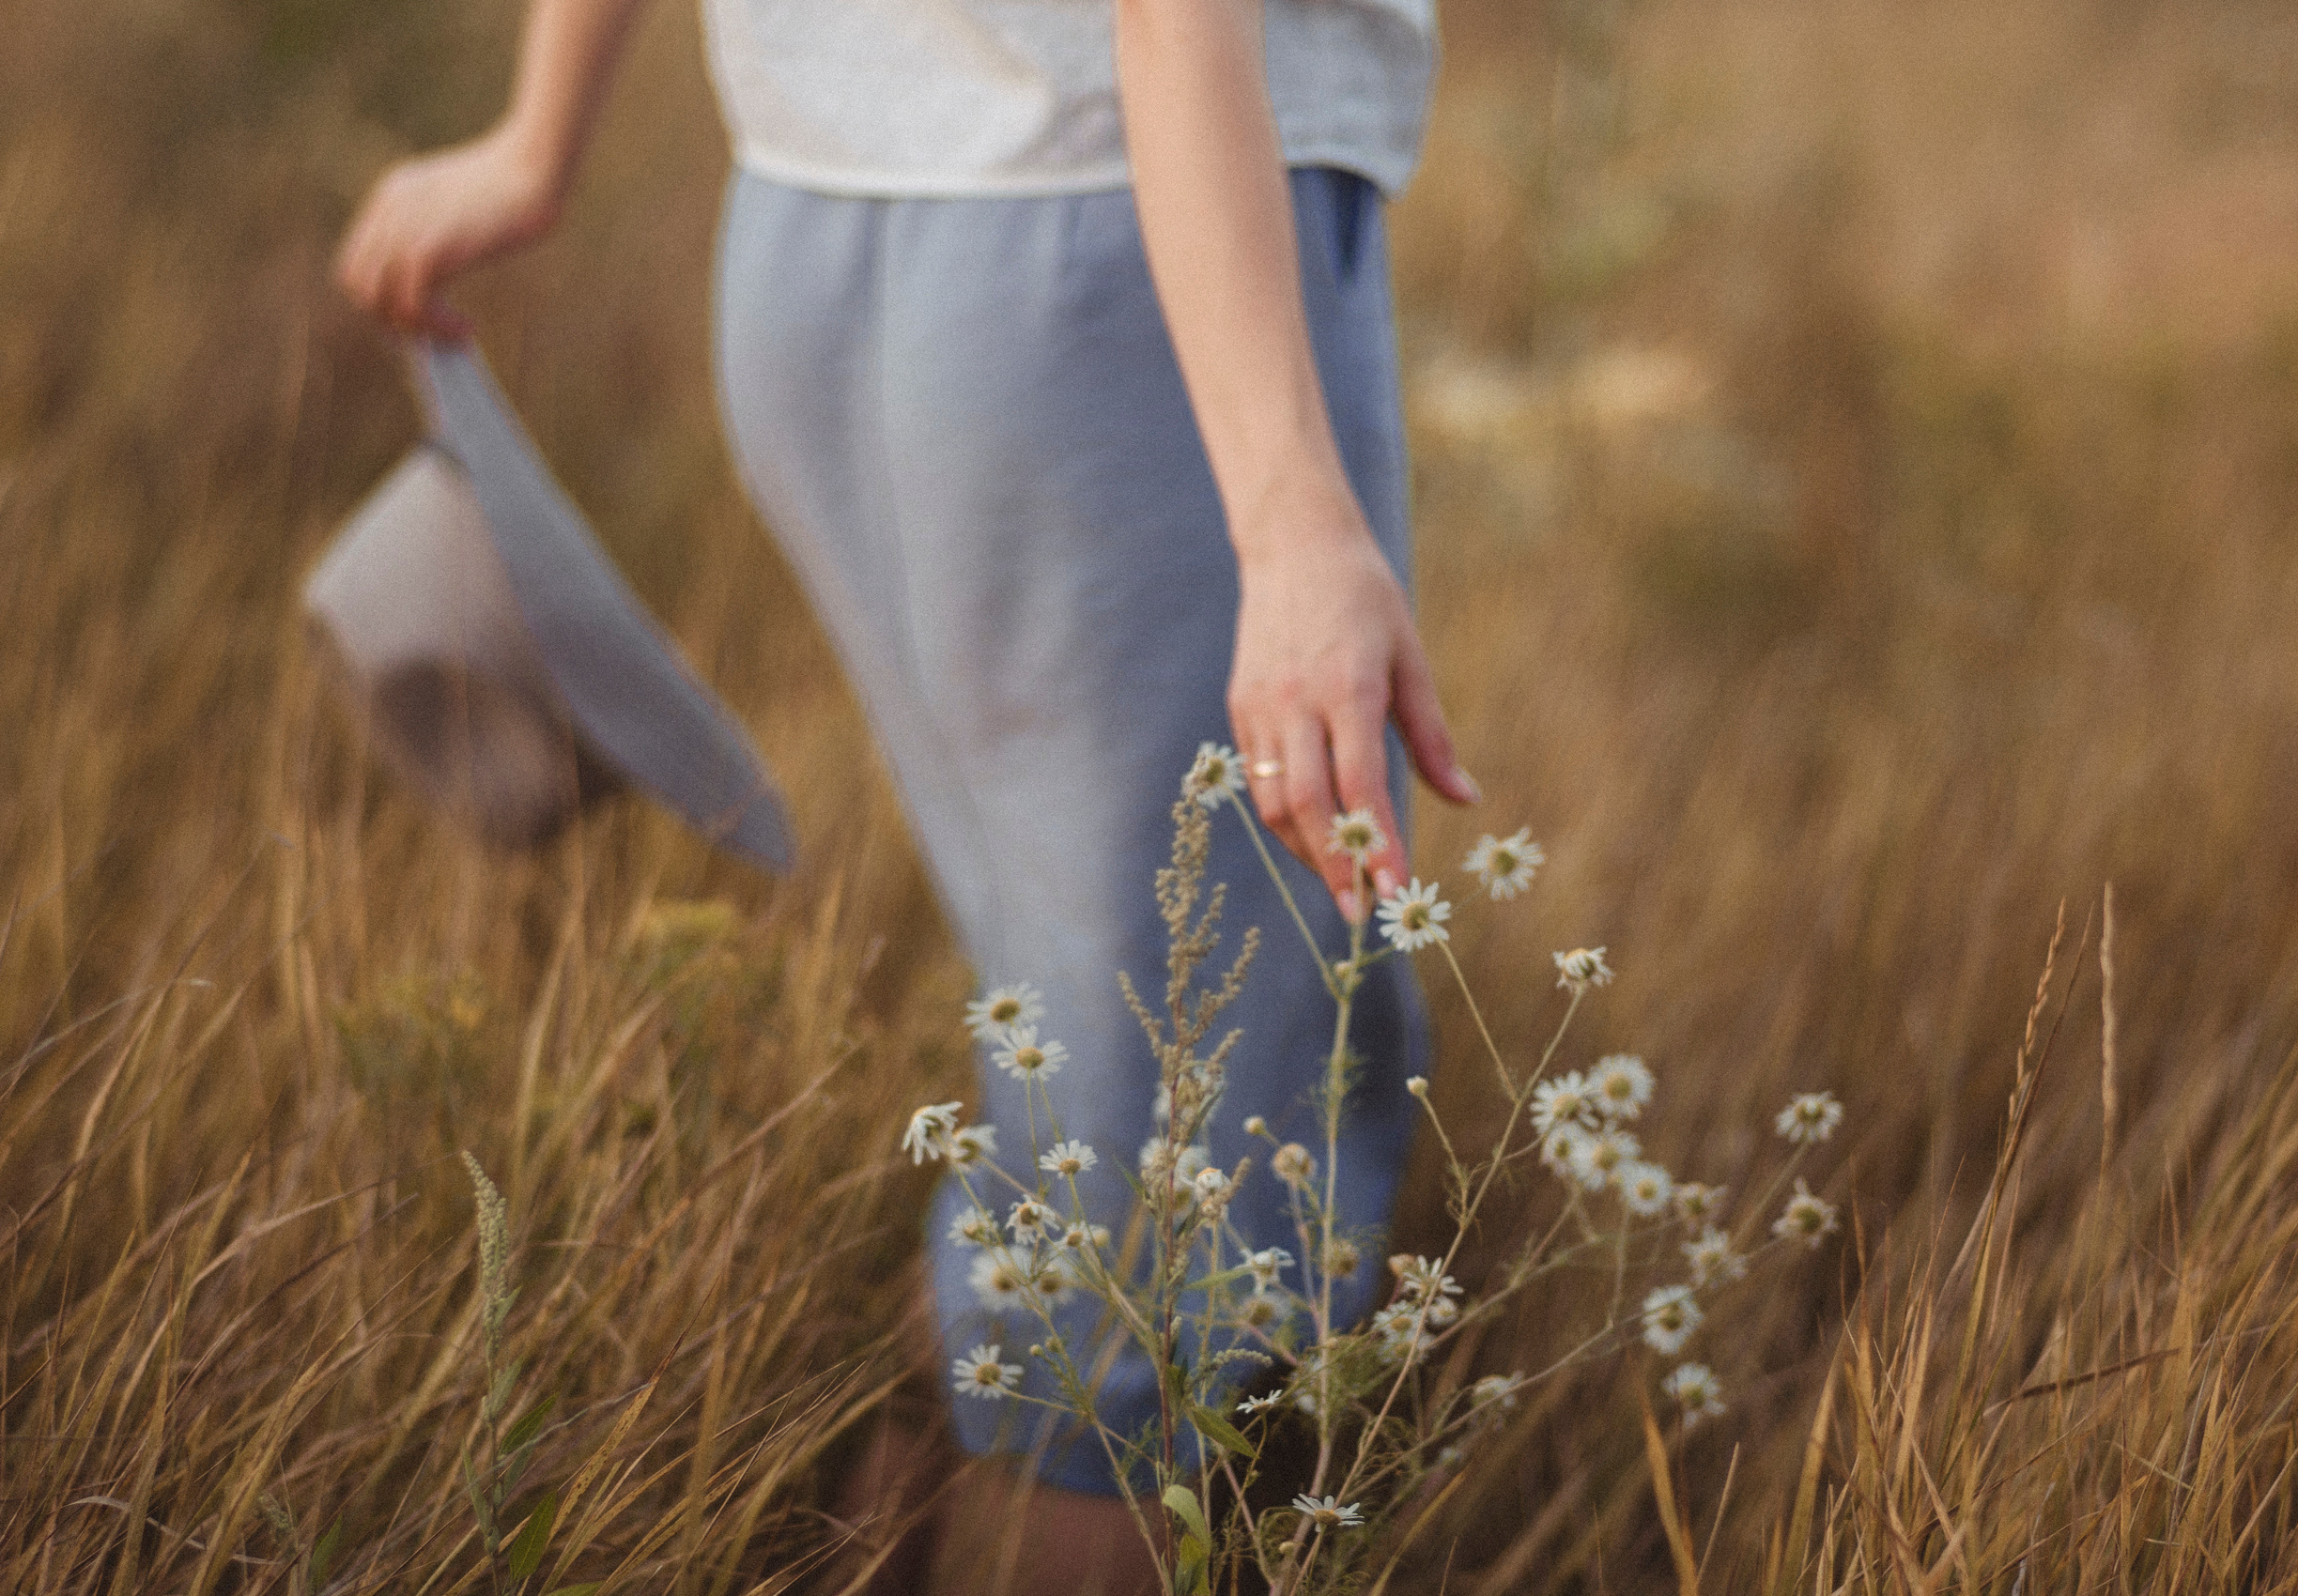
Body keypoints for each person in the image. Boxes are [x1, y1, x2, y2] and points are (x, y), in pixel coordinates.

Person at [337, 0, 1476, 1588]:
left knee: (1082, 1062)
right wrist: (1289, 524)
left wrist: (540, 138)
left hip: (829, 226)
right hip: (1128, 247)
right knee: (1185, 1159)